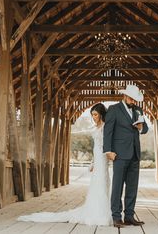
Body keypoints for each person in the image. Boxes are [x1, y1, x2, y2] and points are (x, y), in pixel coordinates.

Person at [18, 103, 112, 226]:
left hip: (103, 159)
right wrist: (93, 162)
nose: (94, 117)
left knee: (103, 183)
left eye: (95, 115)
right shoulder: (95, 128)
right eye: (92, 115)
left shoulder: (106, 127)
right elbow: (95, 147)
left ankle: (103, 212)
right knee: (97, 183)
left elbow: (107, 145)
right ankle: (95, 212)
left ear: (101, 114)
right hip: (98, 159)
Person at [103, 84, 148, 228]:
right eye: (132, 98)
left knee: (132, 187)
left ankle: (129, 216)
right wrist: (108, 150)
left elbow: (145, 128)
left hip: (135, 154)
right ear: (125, 96)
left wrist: (141, 127)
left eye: (136, 99)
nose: (134, 101)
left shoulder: (138, 110)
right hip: (119, 154)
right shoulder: (113, 109)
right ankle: (116, 217)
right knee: (117, 187)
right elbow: (108, 131)